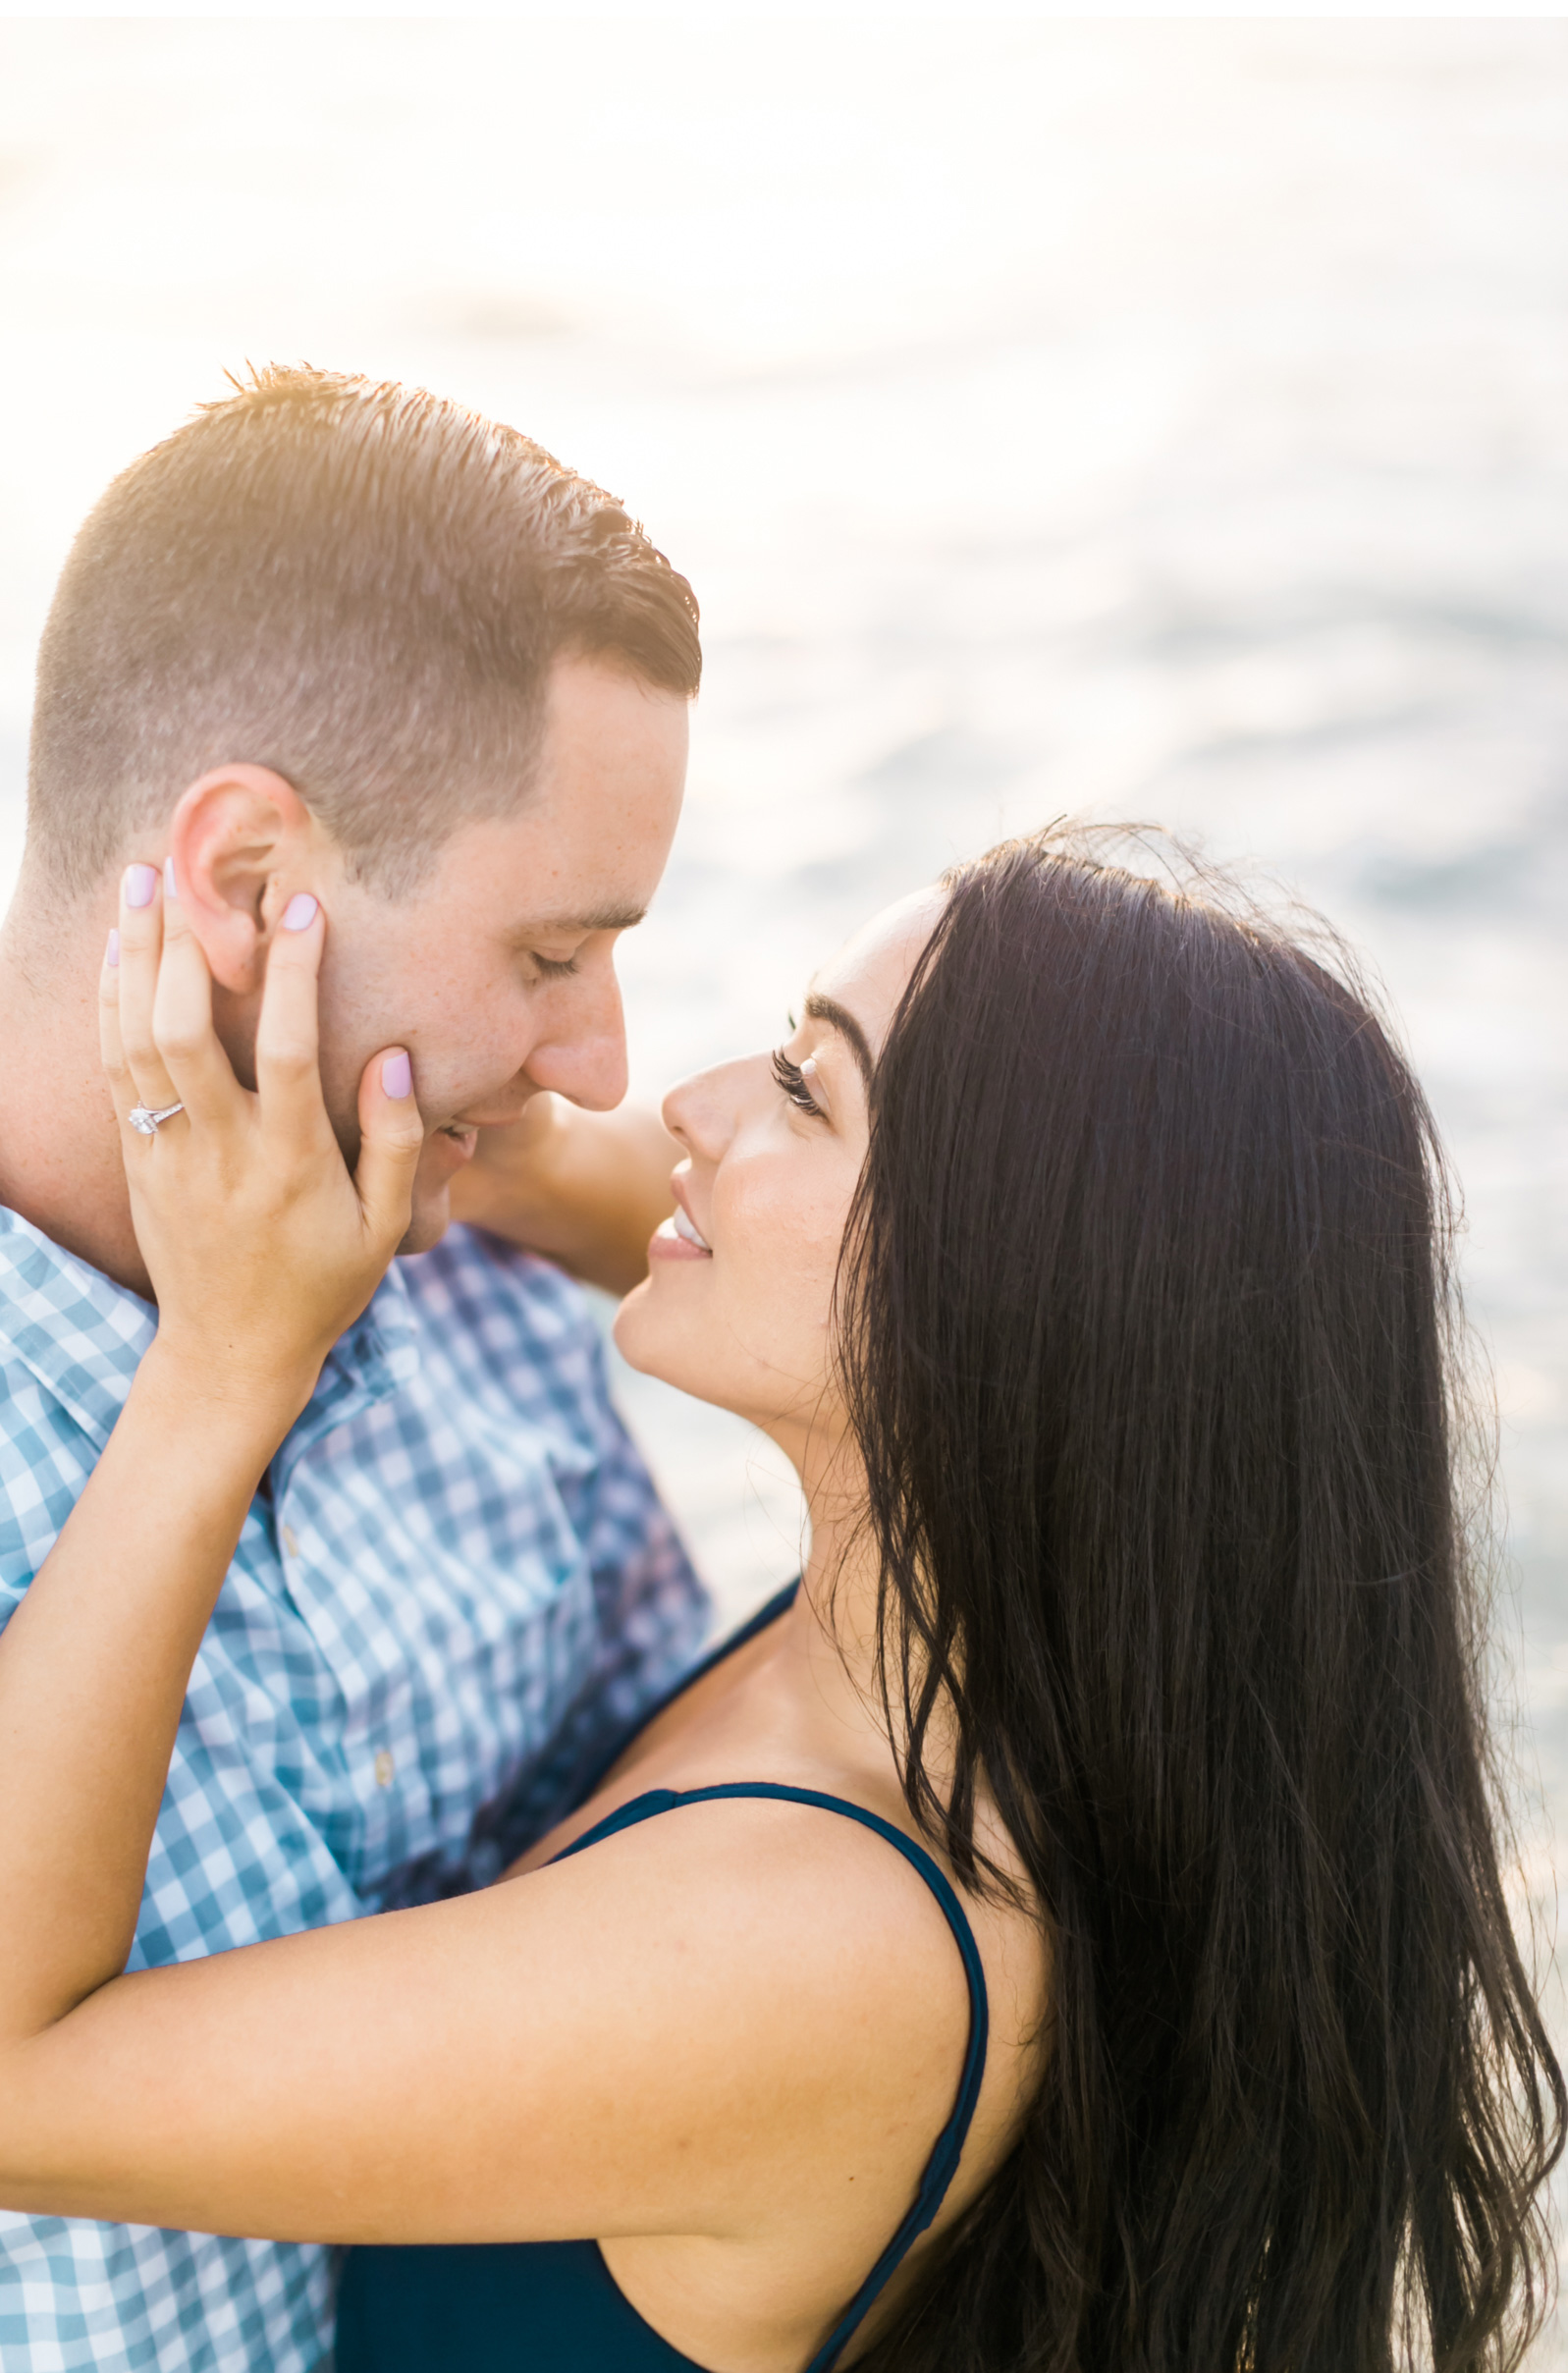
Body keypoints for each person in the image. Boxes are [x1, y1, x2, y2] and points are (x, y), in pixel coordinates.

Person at [0, 826, 1558, 2373]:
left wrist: (222, 1367)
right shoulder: (981, 1651)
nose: (685, 1103)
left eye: (807, 1090)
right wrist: (505, 1141)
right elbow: (730, 1243)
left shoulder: (816, 1954)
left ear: (1000, 1283)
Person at [0, 364, 714, 2371]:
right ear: (246, 888)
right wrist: (226, 1376)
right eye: (554, 957)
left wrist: (549, 1187)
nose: (600, 1060)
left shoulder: (476, 1286)